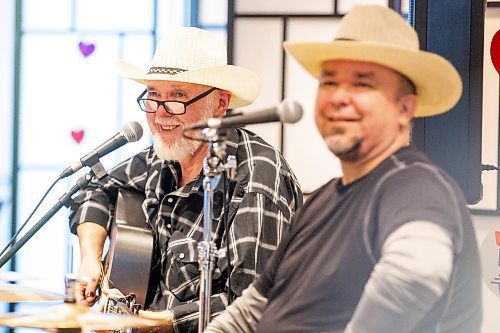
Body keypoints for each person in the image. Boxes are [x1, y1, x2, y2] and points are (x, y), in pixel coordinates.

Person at [205, 5, 482, 333]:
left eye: (362, 84)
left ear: (404, 109)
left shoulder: (415, 185)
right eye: (330, 82)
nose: (339, 97)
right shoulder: (321, 202)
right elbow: (251, 311)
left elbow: (417, 273)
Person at [68, 27, 302, 332]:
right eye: (153, 96)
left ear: (220, 103)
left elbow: (254, 303)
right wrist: (90, 258)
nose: (161, 114)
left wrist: (156, 324)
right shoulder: (161, 157)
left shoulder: (256, 176)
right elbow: (96, 189)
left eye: (178, 97)